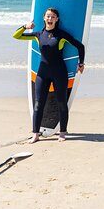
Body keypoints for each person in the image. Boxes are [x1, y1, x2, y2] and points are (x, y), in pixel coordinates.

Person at [13, 8, 85, 143]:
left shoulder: (61, 35)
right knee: (38, 103)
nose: (50, 19)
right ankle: (35, 134)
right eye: (48, 16)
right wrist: (25, 26)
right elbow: (16, 36)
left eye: (53, 17)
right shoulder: (38, 35)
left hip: (59, 72)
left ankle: (62, 132)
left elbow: (80, 46)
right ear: (44, 18)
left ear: (57, 19)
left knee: (61, 103)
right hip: (42, 73)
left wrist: (81, 63)